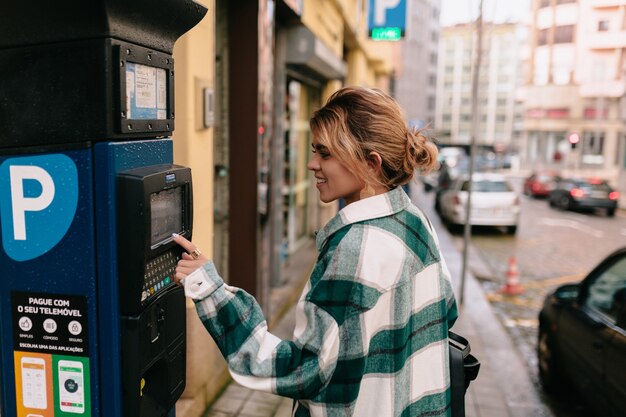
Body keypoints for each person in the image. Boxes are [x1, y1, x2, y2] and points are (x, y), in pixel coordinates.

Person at [173, 86, 458, 417]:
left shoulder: (357, 246)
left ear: (370, 163)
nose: (311, 165)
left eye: (325, 154)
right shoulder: (414, 222)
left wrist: (208, 288)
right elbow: (446, 311)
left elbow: (304, 370)